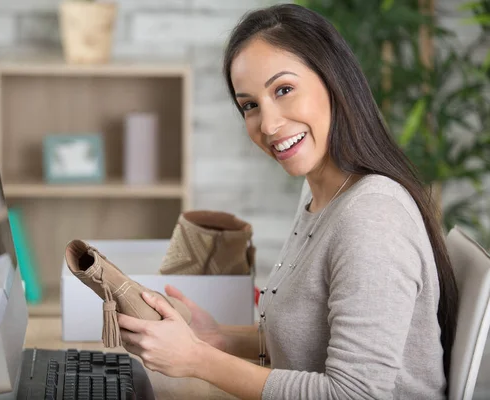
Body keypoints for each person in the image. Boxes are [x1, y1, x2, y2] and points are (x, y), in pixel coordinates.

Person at [117, 3, 459, 399]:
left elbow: (354, 395)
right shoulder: (322, 194)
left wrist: (197, 359)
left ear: (334, 81)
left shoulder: (372, 216)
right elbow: (313, 338)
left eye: (283, 90)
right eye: (250, 105)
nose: (268, 124)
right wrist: (217, 338)